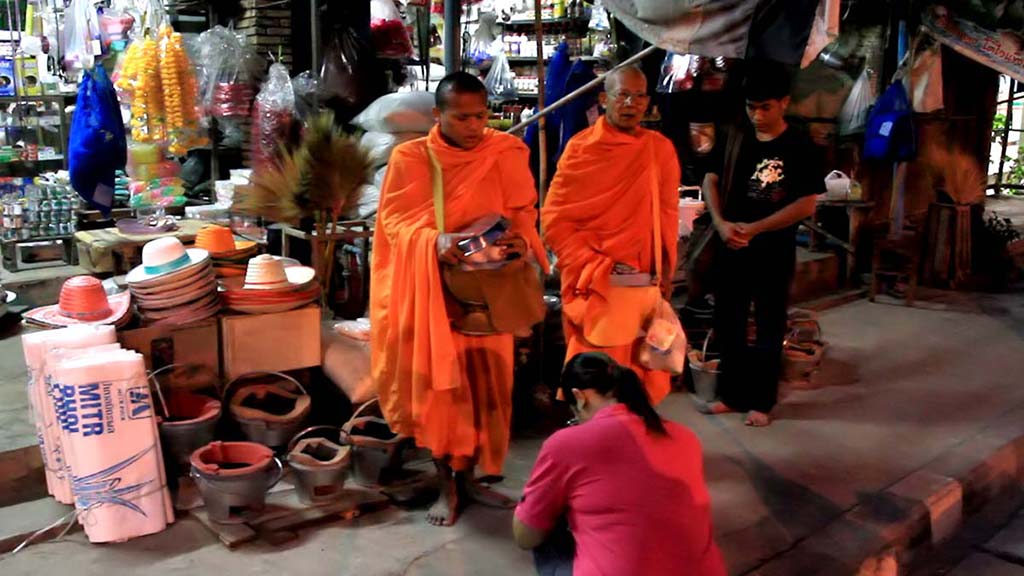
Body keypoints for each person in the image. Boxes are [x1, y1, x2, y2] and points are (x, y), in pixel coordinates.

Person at [370, 72, 549, 526]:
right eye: (462, 117)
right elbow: (393, 225)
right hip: (436, 296)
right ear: (437, 115)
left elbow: (523, 215)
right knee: (442, 398)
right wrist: (433, 240)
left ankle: (470, 479)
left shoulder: (506, 151)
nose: (474, 126)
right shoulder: (411, 158)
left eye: (480, 116)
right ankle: (446, 488)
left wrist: (521, 245)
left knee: (488, 392)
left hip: (492, 299)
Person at [513, 352, 726, 576]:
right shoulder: (685, 436)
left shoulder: (567, 443)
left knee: (542, 517)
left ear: (579, 397)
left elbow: (525, 536)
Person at [542, 66, 681, 406]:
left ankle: (634, 438)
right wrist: (594, 266)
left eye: (640, 96)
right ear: (604, 99)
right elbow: (554, 220)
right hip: (598, 281)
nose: (632, 103)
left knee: (639, 370)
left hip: (642, 277)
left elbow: (666, 215)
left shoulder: (659, 149)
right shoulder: (581, 149)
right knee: (597, 376)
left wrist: (664, 269)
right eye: (623, 95)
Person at [699, 60, 823, 427]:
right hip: (730, 243)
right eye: (751, 106)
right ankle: (732, 395)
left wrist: (756, 228)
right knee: (729, 322)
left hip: (772, 249)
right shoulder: (735, 134)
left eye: (764, 107)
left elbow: (806, 202)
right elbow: (710, 180)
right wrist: (721, 224)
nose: (756, 115)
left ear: (784, 102)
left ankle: (762, 402)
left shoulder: (800, 143)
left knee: (769, 324)